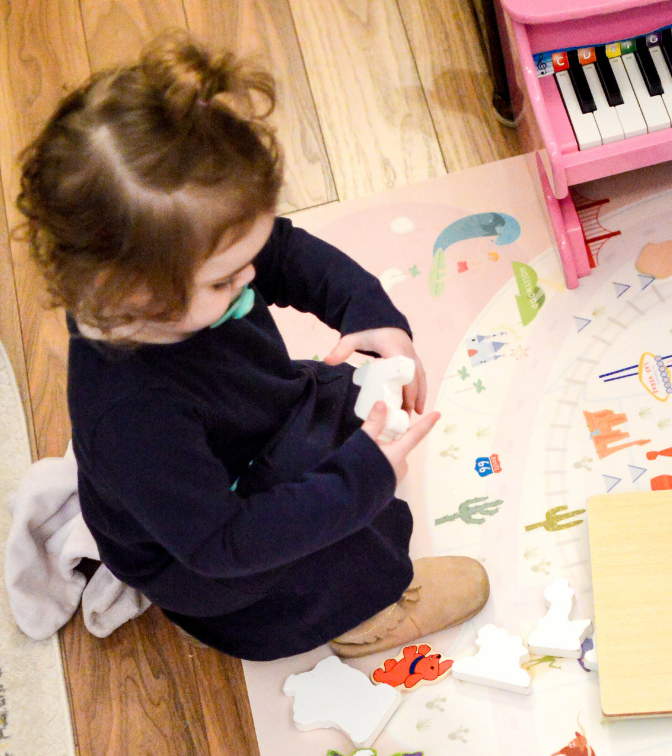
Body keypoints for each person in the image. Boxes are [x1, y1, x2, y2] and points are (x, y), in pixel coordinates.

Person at [16, 31, 489, 662]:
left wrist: (369, 313)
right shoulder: (132, 417)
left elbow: (287, 254)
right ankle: (364, 618)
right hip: (219, 552)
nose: (252, 275)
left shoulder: (176, 270)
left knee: (336, 430)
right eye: (225, 280)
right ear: (129, 293)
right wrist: (360, 481)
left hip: (252, 427)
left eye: (250, 255)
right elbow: (224, 544)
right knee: (334, 553)